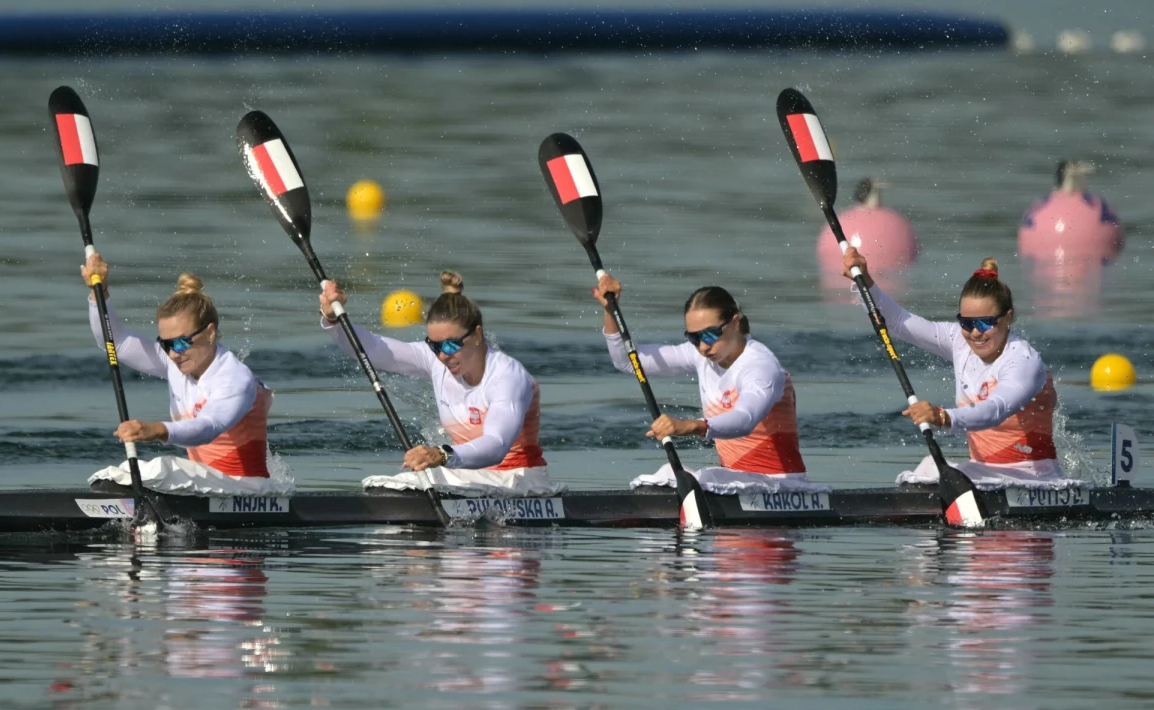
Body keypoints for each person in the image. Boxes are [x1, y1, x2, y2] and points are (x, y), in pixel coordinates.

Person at [841, 247, 1072, 486]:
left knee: (929, 477)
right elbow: (899, 321)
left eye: (985, 323)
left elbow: (995, 410)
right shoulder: (959, 341)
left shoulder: (1023, 362)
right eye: (967, 322)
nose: (974, 333)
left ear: (1008, 317)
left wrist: (943, 417)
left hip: (1033, 478)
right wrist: (865, 282)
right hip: (984, 475)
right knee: (928, 466)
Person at [319, 271, 560, 496]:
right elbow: (370, 349)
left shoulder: (507, 376)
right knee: (389, 484)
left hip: (520, 482)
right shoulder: (436, 360)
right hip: (469, 477)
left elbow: (496, 445)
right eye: (434, 346)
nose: (443, 355)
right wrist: (334, 320)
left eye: (451, 344)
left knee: (405, 487)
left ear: (477, 335)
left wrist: (441, 454)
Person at [591, 274, 823, 494]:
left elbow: (744, 420)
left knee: (672, 476)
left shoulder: (760, 367)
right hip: (735, 482)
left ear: (734, 323)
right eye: (693, 338)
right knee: (670, 475)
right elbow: (630, 362)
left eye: (710, 335)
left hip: (780, 486)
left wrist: (688, 426)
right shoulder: (700, 356)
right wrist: (610, 310)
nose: (702, 346)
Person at [82, 253, 288, 494]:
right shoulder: (177, 361)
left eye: (181, 343)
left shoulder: (234, 378)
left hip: (247, 490)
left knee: (160, 468)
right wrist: (99, 293)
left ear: (210, 333)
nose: (172, 354)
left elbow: (209, 426)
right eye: (166, 344)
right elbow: (115, 342)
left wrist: (156, 430)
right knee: (129, 472)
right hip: (204, 487)